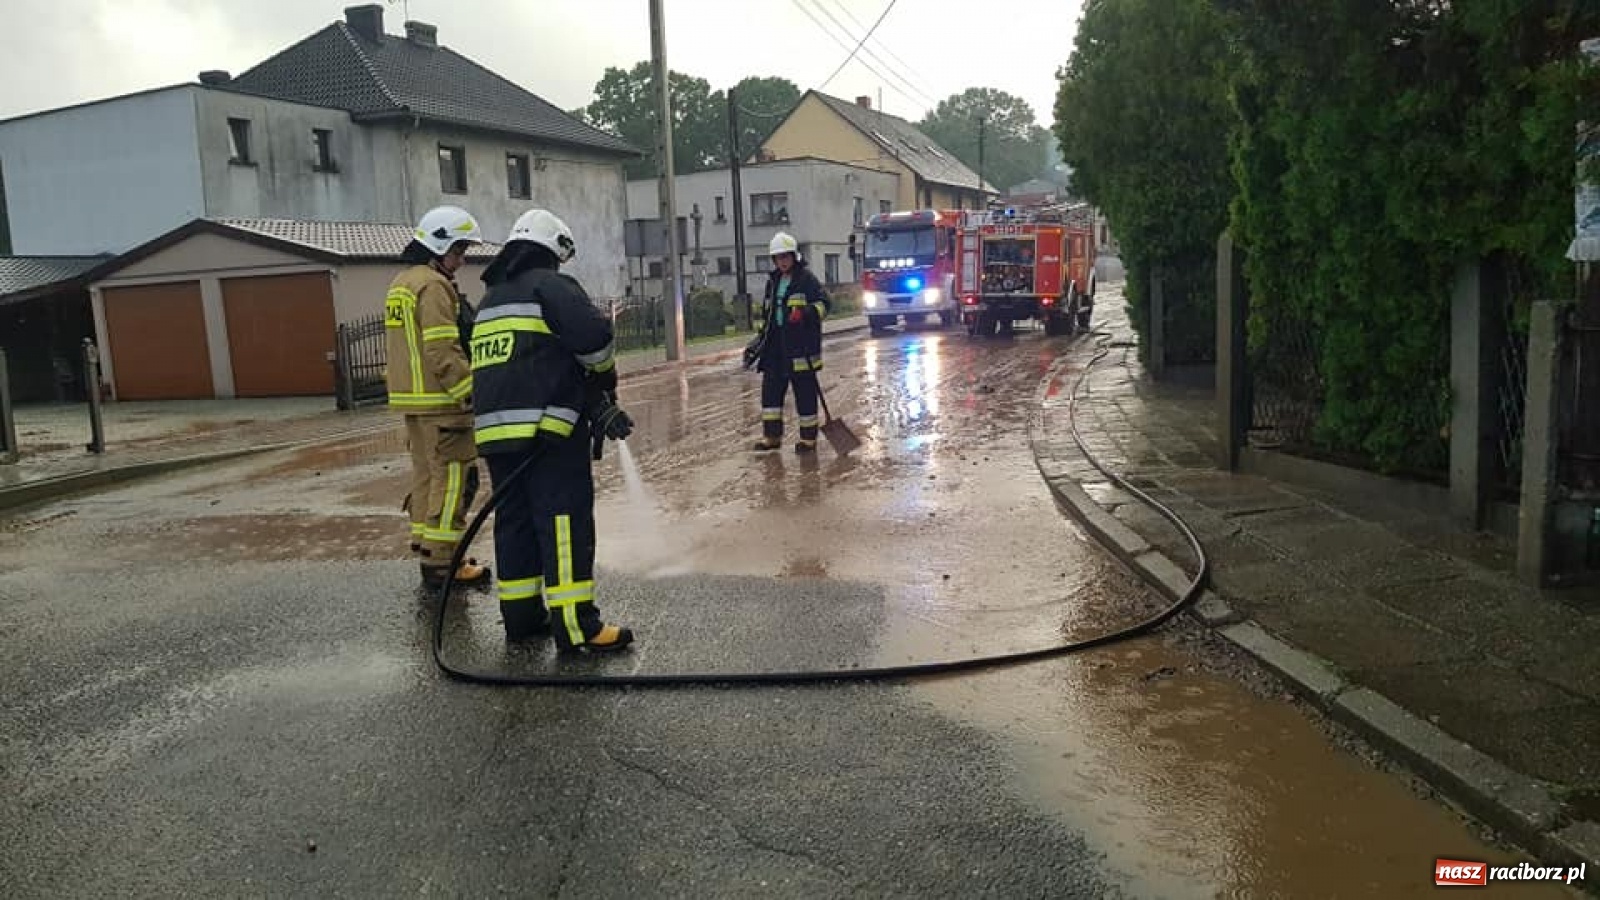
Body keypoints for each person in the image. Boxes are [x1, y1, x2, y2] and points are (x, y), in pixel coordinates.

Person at [470, 209, 636, 652]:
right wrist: (602, 382)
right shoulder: (552, 286)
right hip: (547, 431)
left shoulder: (491, 299)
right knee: (563, 523)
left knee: (516, 523)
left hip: (495, 436)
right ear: (553, 251)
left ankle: (522, 618)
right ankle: (577, 627)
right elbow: (594, 340)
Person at [385, 205, 493, 591]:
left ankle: (425, 544)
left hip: (413, 402)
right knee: (453, 482)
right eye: (459, 251)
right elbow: (441, 349)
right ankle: (444, 562)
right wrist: (471, 394)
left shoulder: (401, 282)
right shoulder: (433, 286)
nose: (461, 260)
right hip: (441, 401)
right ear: (439, 245)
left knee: (426, 476)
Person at [751, 232, 832, 453]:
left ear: (794, 256)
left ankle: (808, 439)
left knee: (804, 393)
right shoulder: (773, 281)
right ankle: (772, 436)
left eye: (785, 257)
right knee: (771, 393)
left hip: (800, 346)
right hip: (775, 345)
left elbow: (825, 305)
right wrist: (760, 340)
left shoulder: (806, 279)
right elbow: (769, 313)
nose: (782, 261)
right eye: (778, 258)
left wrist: (805, 312)